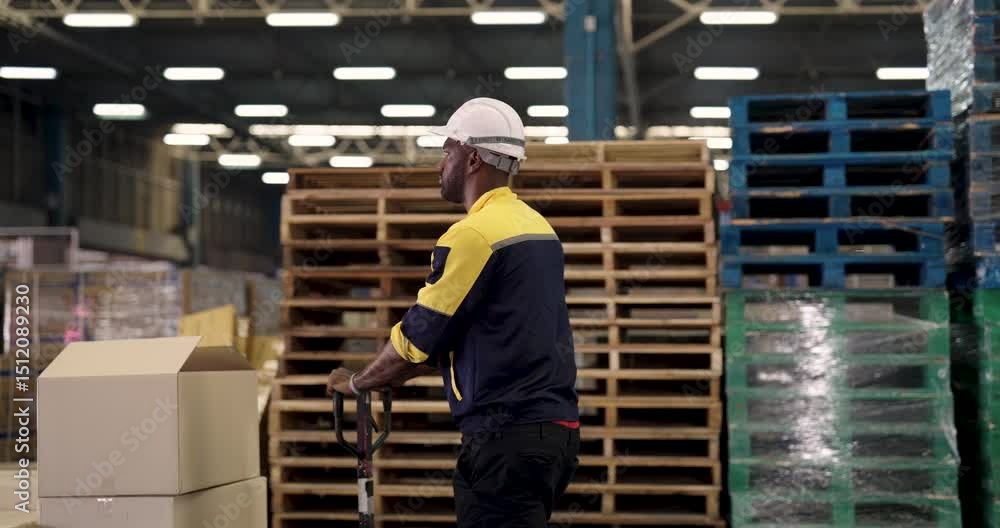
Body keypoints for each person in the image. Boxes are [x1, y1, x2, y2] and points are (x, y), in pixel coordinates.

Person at [327, 97, 580, 527]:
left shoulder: (473, 235)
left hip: (504, 439)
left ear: (473, 158)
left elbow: (419, 336)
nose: (440, 164)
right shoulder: (537, 227)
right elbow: (468, 337)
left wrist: (357, 382)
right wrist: (387, 377)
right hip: (552, 435)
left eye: (447, 152)